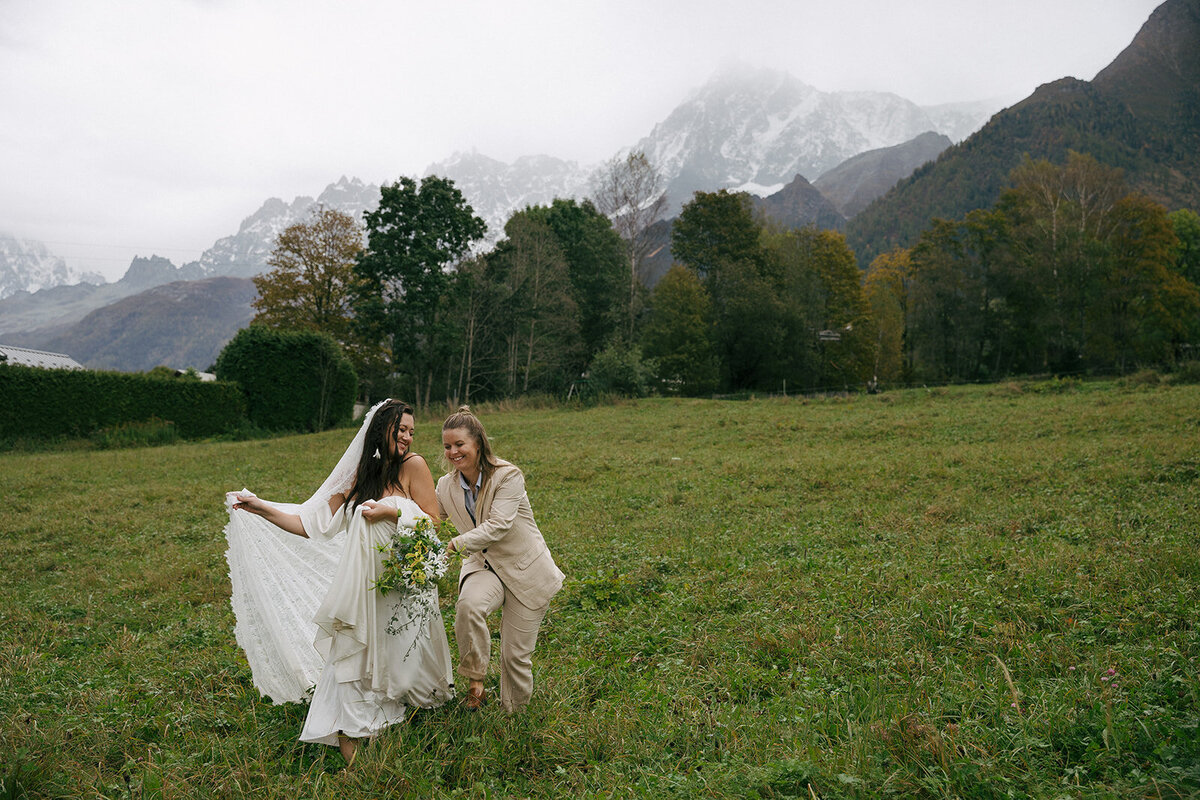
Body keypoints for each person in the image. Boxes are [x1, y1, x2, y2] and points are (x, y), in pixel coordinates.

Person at [225, 400, 454, 765]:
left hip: (399, 584)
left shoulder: (413, 467)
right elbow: (311, 524)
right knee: (352, 661)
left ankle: (395, 728)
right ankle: (355, 745)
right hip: (363, 589)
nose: (408, 438)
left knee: (398, 663)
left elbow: (433, 520)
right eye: (401, 431)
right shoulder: (359, 478)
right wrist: (261, 509)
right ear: (382, 431)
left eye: (411, 431)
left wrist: (392, 510)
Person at [437, 406, 564, 713]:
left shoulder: (508, 476)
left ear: (477, 443)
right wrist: (393, 514)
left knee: (515, 656)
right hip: (484, 567)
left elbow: (498, 526)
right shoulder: (445, 486)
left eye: (459, 445)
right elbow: (429, 518)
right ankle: (476, 681)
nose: (453, 452)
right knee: (468, 606)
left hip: (525, 572)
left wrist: (455, 544)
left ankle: (515, 716)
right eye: (447, 446)